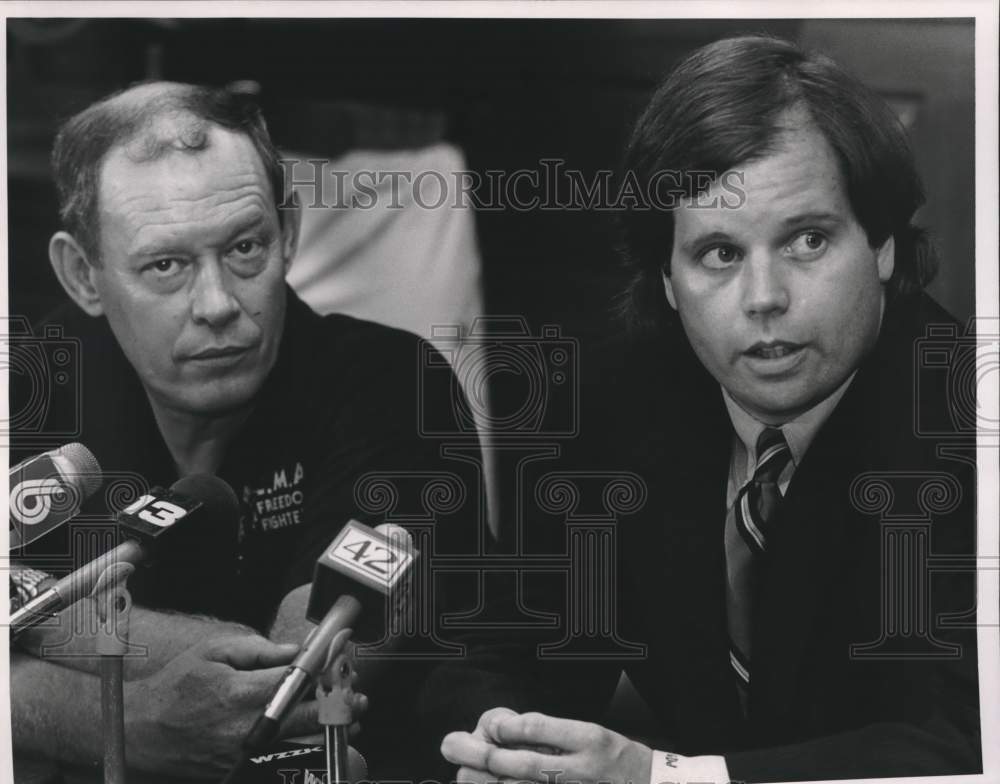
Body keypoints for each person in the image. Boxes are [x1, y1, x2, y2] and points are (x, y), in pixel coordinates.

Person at [431, 35, 981, 783]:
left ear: (882, 244)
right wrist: (502, 748)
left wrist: (665, 779)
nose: (764, 299)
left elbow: (962, 745)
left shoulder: (971, 428)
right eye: (719, 254)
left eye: (807, 240)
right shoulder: (606, 400)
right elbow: (503, 649)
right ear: (666, 276)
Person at [10, 81, 476, 778]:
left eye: (245, 248)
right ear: (83, 275)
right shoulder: (29, 387)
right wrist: (127, 721)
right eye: (165, 265)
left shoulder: (396, 381)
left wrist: (35, 630)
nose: (219, 304)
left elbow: (298, 678)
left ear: (289, 231)